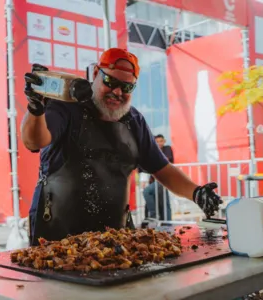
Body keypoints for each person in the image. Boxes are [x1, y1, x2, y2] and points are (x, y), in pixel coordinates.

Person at [21, 48, 222, 246]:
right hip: (56, 237)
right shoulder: (65, 106)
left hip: (115, 237)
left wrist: (196, 193)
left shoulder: (134, 121)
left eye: (127, 87)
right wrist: (35, 110)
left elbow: (162, 169)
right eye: (111, 82)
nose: (117, 92)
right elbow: (34, 141)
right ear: (96, 74)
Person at [143, 134, 173, 220]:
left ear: (164, 141)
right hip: (155, 181)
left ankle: (154, 216)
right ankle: (164, 220)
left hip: (163, 179)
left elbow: (167, 160)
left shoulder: (167, 148)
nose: (159, 143)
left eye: (161, 141)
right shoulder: (152, 151)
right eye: (157, 142)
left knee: (148, 192)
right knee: (162, 201)